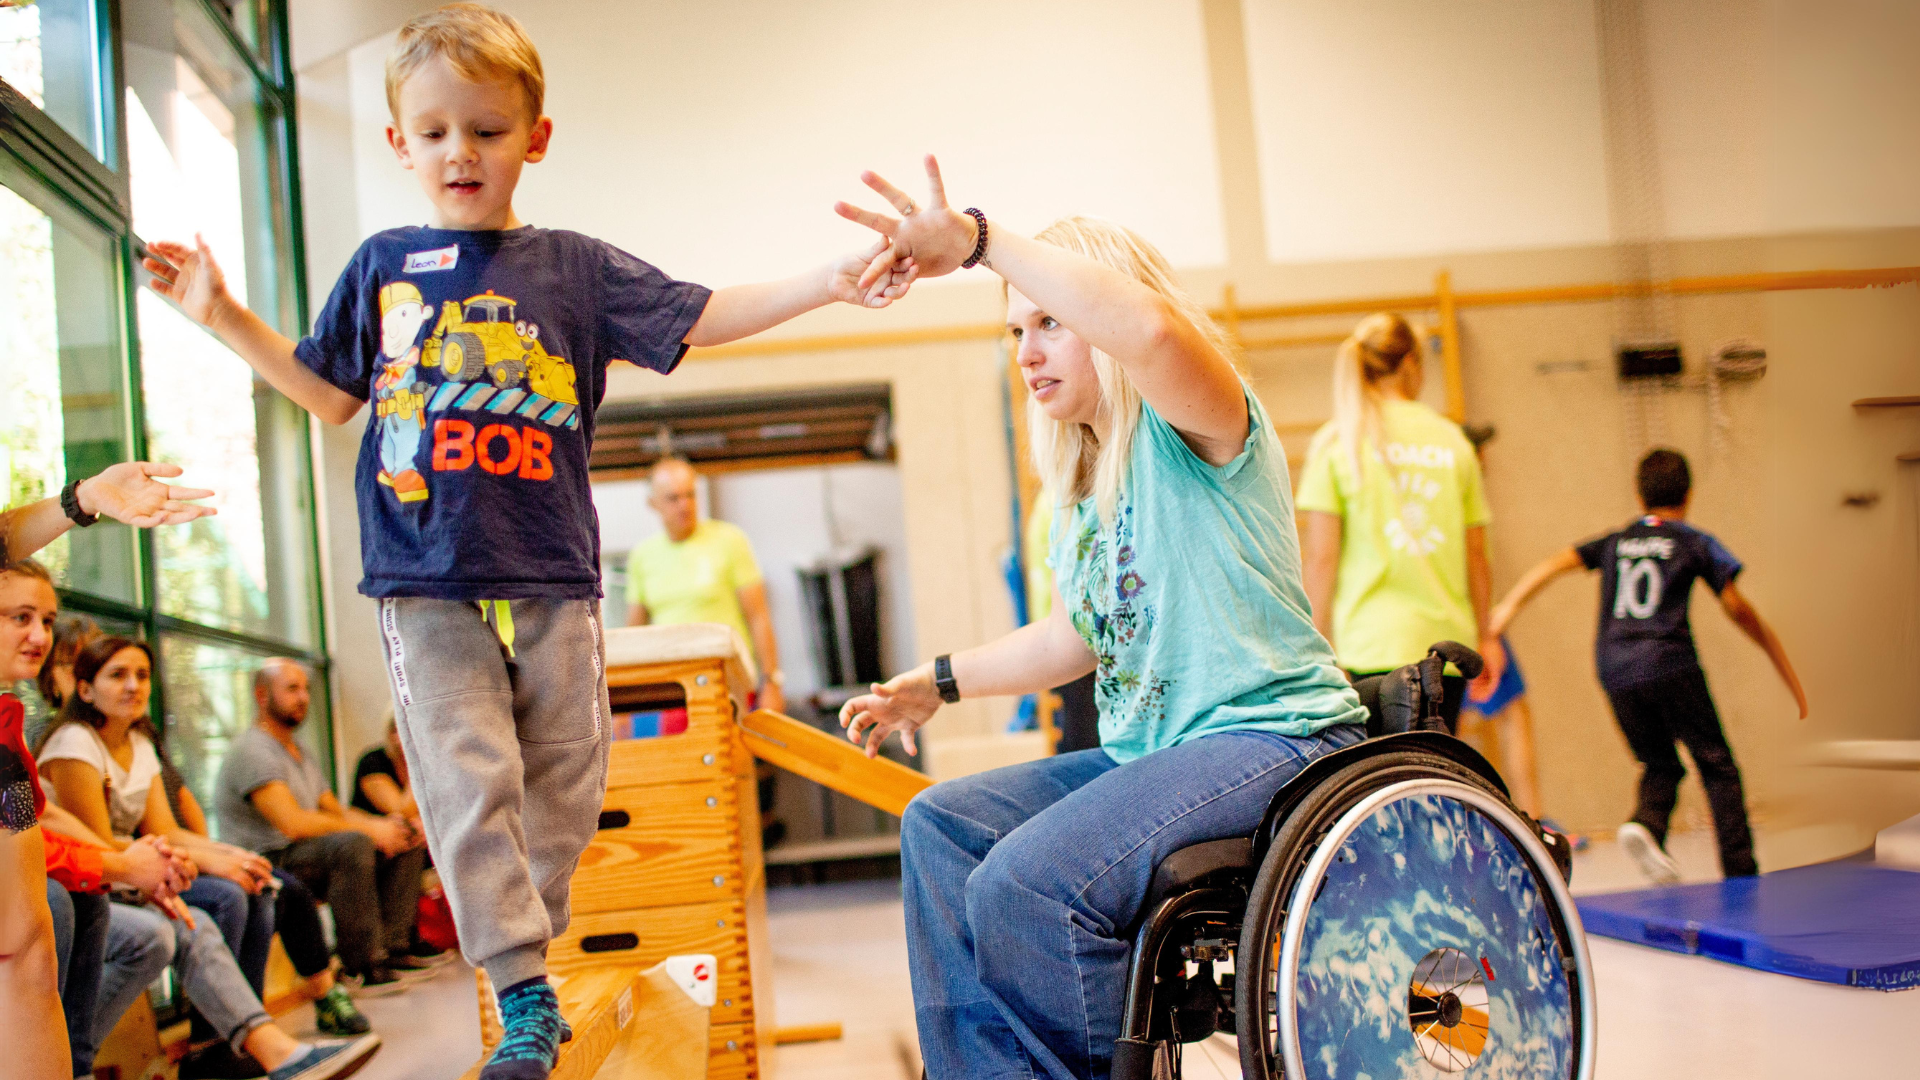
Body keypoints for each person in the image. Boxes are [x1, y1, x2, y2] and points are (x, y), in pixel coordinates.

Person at [142, 6, 914, 1075]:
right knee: (467, 777)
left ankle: (525, 945)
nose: (462, 151)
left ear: (535, 137)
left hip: (554, 564)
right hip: (423, 572)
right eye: (436, 132)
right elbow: (326, 394)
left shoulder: (571, 269)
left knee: (569, 778)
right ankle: (520, 987)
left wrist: (827, 283)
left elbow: (700, 313)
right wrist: (221, 311)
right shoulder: (384, 265)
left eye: (489, 130)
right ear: (398, 144)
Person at [832, 158, 1368, 1080]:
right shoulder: (1083, 485)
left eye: (1052, 324)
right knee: (940, 826)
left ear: (1101, 324)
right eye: (1015, 332)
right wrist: (939, 683)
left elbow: (1154, 331)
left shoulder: (1199, 424)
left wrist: (982, 243)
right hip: (1158, 753)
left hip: (1272, 736)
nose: (1028, 351)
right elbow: (1072, 636)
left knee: (1025, 885)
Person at [36, 638, 381, 1079]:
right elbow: (97, 843)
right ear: (85, 690)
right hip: (95, 873)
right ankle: (215, 1047)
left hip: (132, 864)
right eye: (118, 675)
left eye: (142, 675)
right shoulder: (74, 743)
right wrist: (202, 863)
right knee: (222, 899)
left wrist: (231, 855)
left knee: (254, 887)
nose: (133, 686)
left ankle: (226, 1047)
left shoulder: (139, 742)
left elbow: (166, 827)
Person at [1491, 448, 1807, 884]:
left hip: (1614, 667)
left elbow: (1554, 564)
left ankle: (1646, 824)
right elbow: (1736, 606)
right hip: (1669, 660)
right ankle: (1742, 876)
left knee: (1660, 762)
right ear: (1689, 493)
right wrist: (1773, 649)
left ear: (1640, 496)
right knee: (1716, 764)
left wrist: (1505, 611)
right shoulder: (1694, 541)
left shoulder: (1616, 540)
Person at [1, 463, 215, 1080]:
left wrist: (84, 498)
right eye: (21, 618)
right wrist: (116, 863)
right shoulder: (69, 740)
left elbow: (46, 821)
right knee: (39, 930)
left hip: (7, 768)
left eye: (47, 619)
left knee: (41, 934)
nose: (40, 635)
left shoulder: (19, 732)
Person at [1297, 313, 1503, 730]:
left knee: (1382, 779)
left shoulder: (1337, 442)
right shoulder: (1453, 442)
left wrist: (1314, 649)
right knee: (1436, 773)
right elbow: (1476, 555)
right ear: (1411, 362)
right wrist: (1487, 636)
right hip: (1445, 650)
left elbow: (1322, 559)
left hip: (1369, 646)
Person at [216, 659, 428, 995]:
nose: (303, 697)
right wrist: (370, 832)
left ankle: (395, 948)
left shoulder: (298, 750)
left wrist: (384, 827)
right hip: (270, 857)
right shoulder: (253, 751)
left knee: (405, 836)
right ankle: (361, 966)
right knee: (352, 844)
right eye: (291, 688)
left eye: (306, 689)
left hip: (303, 852)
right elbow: (293, 824)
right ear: (261, 695)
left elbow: (333, 809)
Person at [625, 457, 785, 713]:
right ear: (653, 504)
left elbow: (759, 617)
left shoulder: (730, 540)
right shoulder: (642, 555)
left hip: (729, 684)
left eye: (690, 495)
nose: (684, 505)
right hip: (671, 690)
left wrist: (772, 682)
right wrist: (626, 695)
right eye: (673, 498)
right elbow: (634, 633)